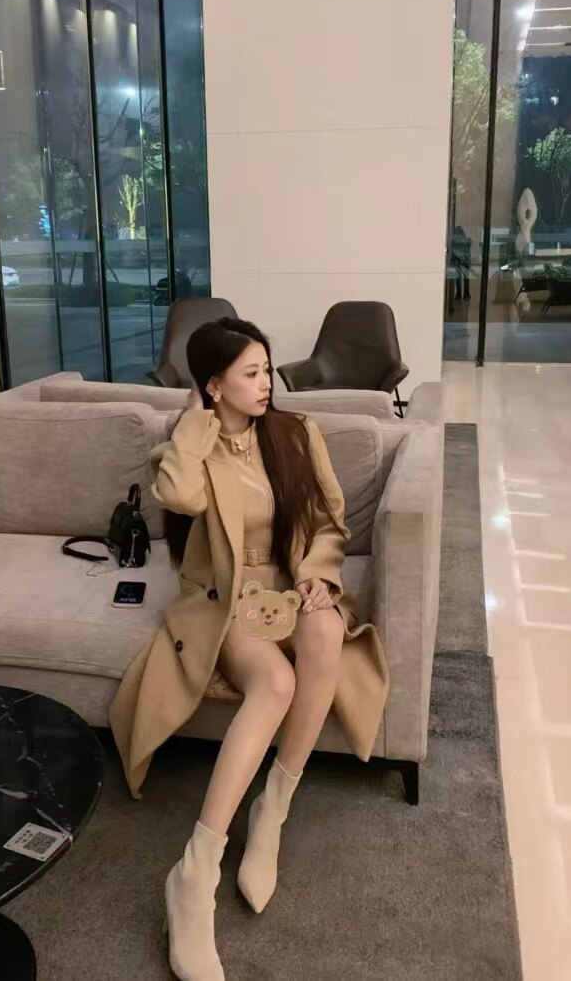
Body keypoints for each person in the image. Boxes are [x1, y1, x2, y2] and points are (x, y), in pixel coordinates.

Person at [108, 317, 389, 980]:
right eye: (251, 373)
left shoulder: (296, 433)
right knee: (276, 684)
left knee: (326, 628)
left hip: (290, 588)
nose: (267, 384)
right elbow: (177, 495)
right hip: (226, 600)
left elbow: (328, 520)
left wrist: (318, 575)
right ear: (214, 385)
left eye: (267, 370)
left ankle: (271, 815)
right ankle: (194, 872)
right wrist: (194, 422)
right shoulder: (192, 446)